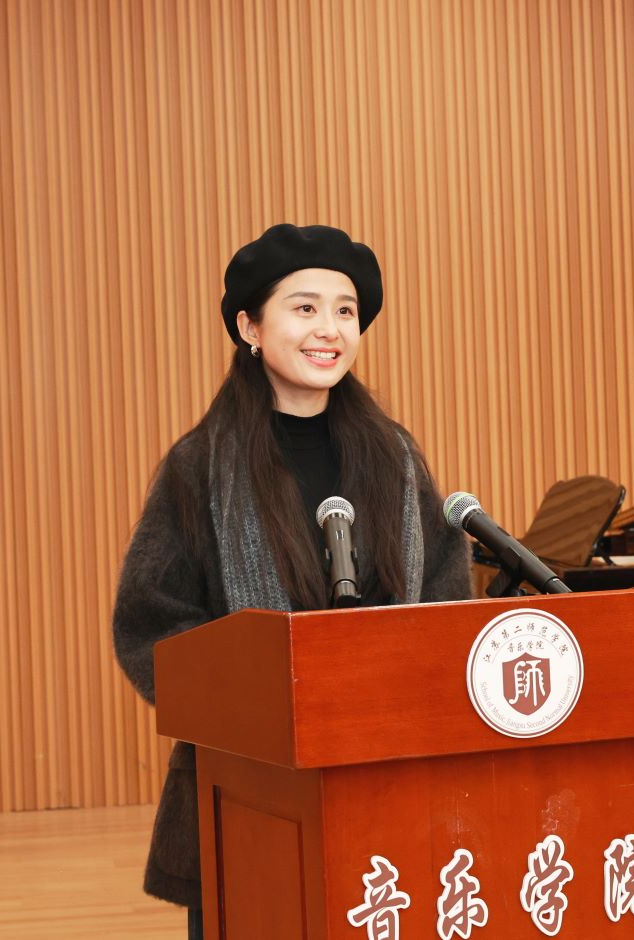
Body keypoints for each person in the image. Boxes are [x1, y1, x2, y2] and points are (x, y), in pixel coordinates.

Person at [111, 223, 472, 938]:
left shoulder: (395, 458)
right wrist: (259, 696)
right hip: (249, 788)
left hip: (390, 771)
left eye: (345, 311)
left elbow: (444, 594)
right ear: (249, 326)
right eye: (304, 308)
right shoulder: (200, 467)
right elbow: (150, 623)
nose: (328, 329)